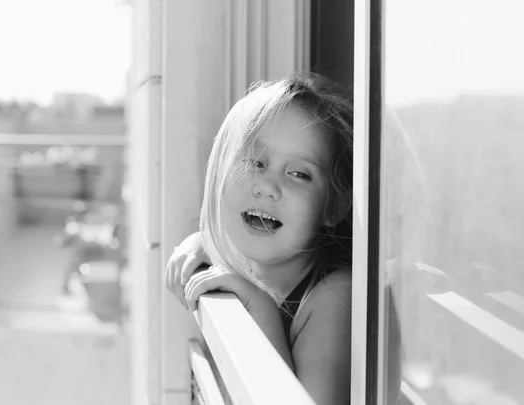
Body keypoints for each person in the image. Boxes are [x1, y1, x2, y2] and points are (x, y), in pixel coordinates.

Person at [165, 73, 399, 405]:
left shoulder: (335, 298)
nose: (267, 186)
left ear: (334, 207)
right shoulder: (256, 265)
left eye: (299, 174)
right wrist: (201, 241)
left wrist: (258, 308)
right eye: (255, 162)